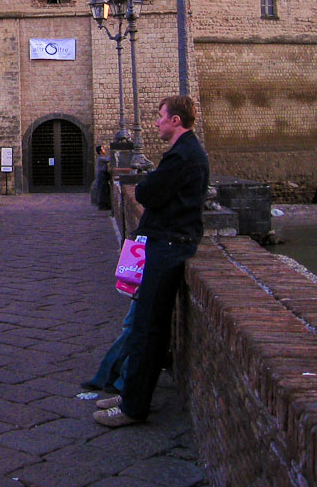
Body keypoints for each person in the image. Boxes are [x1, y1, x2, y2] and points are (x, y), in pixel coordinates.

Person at [94, 95, 208, 428]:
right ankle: (130, 391)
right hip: (168, 243)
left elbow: (146, 193)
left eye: (160, 117)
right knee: (145, 325)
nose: (156, 122)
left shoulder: (183, 157)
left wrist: (147, 185)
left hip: (169, 246)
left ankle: (133, 407)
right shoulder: (183, 153)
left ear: (176, 121)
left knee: (148, 328)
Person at [90, 145, 111, 210]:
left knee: (104, 190)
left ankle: (105, 205)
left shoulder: (101, 158)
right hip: (101, 175)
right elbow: (110, 159)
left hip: (103, 175)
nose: (104, 150)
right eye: (103, 149)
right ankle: (102, 205)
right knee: (102, 190)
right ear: (100, 151)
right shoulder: (101, 158)